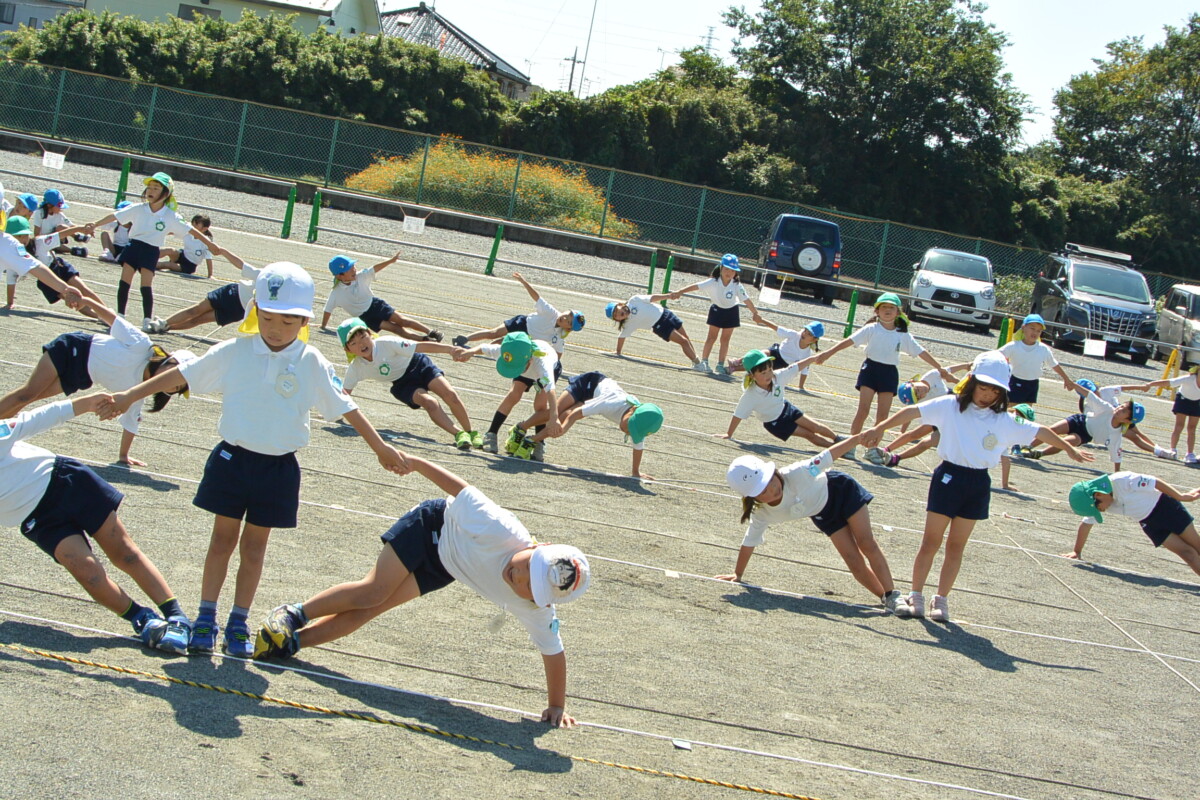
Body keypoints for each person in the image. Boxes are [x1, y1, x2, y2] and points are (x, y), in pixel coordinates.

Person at [97, 262, 407, 657]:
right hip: (232, 460)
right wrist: (129, 396)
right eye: (269, 317)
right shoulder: (235, 349)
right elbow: (181, 375)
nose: (276, 328)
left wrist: (380, 447)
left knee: (255, 548)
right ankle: (206, 617)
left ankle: (237, 621)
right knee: (222, 540)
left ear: (305, 322)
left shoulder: (311, 360)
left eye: (289, 321)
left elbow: (345, 406)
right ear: (255, 311)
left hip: (278, 468)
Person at [252, 456, 591, 728]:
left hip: (444, 566)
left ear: (539, 600)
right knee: (374, 591)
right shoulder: (501, 529)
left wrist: (556, 705)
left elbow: (553, 651)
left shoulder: (535, 609)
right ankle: (293, 615)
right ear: (538, 545)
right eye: (528, 566)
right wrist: (413, 462)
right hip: (432, 524)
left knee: (373, 609)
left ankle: (290, 643)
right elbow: (459, 489)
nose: (518, 578)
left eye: (530, 586)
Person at [861, 351, 1093, 622]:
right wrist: (879, 429)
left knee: (956, 546)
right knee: (931, 541)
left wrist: (1068, 448)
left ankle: (942, 599)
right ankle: (917, 595)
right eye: (982, 387)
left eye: (995, 390)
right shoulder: (950, 405)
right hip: (948, 477)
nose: (987, 395)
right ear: (971, 383)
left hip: (979, 482)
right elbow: (912, 410)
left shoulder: (1004, 419)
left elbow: (1039, 430)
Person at [1, 393, 192, 654]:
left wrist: (88, 403)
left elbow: (38, 418)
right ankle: (143, 620)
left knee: (124, 554)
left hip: (63, 482)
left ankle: (177, 617)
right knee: (87, 573)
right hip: (37, 518)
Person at [0, 298, 193, 466]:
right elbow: (113, 319)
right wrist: (87, 301)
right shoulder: (141, 345)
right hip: (74, 348)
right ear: (169, 359)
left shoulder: (138, 393)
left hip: (82, 376)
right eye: (174, 374)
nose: (171, 382)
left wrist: (123, 456)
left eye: (176, 386)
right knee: (27, 394)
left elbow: (130, 424)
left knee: (30, 398)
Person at [719, 439, 901, 610]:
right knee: (853, 560)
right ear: (753, 498)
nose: (773, 489)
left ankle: (893, 594)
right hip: (823, 513)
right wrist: (738, 574)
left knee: (865, 542)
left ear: (774, 472)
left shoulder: (799, 472)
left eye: (771, 480)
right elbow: (750, 540)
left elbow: (829, 455)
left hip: (841, 491)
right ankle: (886, 599)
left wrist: (858, 438)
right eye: (763, 491)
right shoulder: (762, 513)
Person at [811, 293, 956, 458]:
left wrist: (940, 368)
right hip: (870, 369)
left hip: (889, 373)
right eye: (884, 307)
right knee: (863, 409)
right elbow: (848, 341)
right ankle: (850, 445)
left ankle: (872, 449)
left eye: (891, 308)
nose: (887, 310)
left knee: (883, 416)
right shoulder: (871, 329)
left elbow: (921, 351)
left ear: (898, 312)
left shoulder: (903, 335)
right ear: (877, 312)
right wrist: (827, 353)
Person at [81, 172, 216, 331]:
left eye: (156, 188)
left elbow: (190, 229)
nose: (150, 191)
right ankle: (120, 316)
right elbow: (115, 216)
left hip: (151, 251)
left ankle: (146, 320)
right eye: (149, 187)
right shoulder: (138, 208)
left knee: (146, 286)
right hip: (133, 247)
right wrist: (95, 224)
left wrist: (210, 244)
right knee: (124, 283)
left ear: (166, 193)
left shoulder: (171, 215)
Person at [338, 316, 481, 450]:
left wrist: (450, 349)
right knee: (430, 403)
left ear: (370, 333)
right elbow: (344, 396)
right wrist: (333, 413)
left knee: (450, 395)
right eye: (353, 342)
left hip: (418, 365)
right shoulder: (356, 368)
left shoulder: (386, 343)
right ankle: (459, 434)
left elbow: (419, 346)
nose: (361, 344)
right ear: (347, 349)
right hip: (403, 384)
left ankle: (471, 432)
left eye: (363, 336)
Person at [520, 371, 663, 478]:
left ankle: (530, 440)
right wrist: (563, 429)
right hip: (588, 384)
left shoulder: (641, 422)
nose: (627, 430)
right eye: (630, 426)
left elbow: (638, 446)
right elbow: (575, 415)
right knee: (555, 412)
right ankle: (521, 428)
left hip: (595, 397)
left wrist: (635, 472)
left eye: (632, 431)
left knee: (563, 417)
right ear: (632, 410)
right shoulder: (610, 404)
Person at [1066, 472, 1200, 576]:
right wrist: (1077, 551)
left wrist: (1181, 496)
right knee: (1187, 553)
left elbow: (1155, 482)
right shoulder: (1105, 501)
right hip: (1148, 523)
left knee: (1196, 545)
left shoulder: (1122, 480)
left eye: (1098, 509)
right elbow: (1086, 524)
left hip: (1166, 509)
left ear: (1098, 495)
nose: (1102, 511)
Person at [455, 332, 562, 458]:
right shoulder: (511, 352)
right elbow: (483, 348)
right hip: (523, 367)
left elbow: (551, 391)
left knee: (540, 406)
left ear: (529, 360)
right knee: (514, 395)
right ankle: (491, 433)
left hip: (543, 372)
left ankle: (539, 443)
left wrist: (554, 417)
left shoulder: (544, 365)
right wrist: (470, 352)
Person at [451, 271, 584, 362]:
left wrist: (554, 364)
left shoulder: (559, 336)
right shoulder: (551, 312)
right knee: (494, 333)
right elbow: (537, 297)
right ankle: (464, 339)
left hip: (526, 337)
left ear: (569, 328)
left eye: (569, 321)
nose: (565, 318)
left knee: (500, 344)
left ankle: (475, 351)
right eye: (568, 314)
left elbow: (558, 353)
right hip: (522, 322)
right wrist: (524, 282)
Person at [717, 349, 839, 448]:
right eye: (763, 373)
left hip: (786, 408)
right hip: (775, 422)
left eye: (769, 370)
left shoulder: (778, 376)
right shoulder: (751, 395)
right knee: (809, 435)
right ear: (752, 375)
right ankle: (837, 450)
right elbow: (738, 414)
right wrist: (729, 434)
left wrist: (812, 359)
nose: (768, 375)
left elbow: (796, 366)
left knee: (816, 426)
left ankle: (839, 440)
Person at [1019, 381, 1149, 470]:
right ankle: (1026, 447)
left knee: (1066, 443)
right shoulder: (1108, 409)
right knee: (1053, 430)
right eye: (1122, 406)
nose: (1120, 408)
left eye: (1124, 411)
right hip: (1080, 421)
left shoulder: (1116, 434)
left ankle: (1039, 453)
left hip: (1085, 435)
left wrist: (1117, 475)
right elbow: (1089, 395)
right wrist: (1073, 384)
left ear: (1127, 421)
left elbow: (1116, 456)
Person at [668, 254, 758, 376]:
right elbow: (696, 286)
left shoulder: (736, 285)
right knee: (711, 337)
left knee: (725, 339)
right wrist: (680, 292)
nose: (729, 273)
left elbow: (746, 300)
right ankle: (704, 361)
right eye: (726, 269)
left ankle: (720, 365)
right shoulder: (713, 282)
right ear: (721, 268)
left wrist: (755, 313)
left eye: (732, 270)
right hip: (717, 311)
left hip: (731, 312)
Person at [320, 252, 441, 342]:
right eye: (349, 269)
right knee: (396, 329)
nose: (354, 270)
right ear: (339, 276)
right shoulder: (336, 292)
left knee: (403, 321)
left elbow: (374, 269)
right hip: (366, 317)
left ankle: (431, 332)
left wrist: (391, 261)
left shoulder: (361, 276)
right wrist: (323, 326)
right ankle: (425, 340)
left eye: (353, 266)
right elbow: (328, 309)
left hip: (376, 305)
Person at [3, 216, 104, 318]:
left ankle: (107, 313)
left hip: (58, 267)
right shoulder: (13, 255)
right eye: (17, 236)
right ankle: (100, 317)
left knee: (84, 290)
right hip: (45, 280)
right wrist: (10, 302)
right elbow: (11, 280)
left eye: (24, 235)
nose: (22, 240)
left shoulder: (39, 242)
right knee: (74, 300)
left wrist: (80, 229)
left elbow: (61, 234)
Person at [144, 245, 259, 334]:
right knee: (196, 310)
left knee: (198, 320)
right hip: (232, 293)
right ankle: (164, 322)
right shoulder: (266, 274)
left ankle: (167, 327)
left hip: (239, 310)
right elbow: (242, 265)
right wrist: (223, 251)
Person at [605, 293, 704, 369]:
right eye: (615, 316)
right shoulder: (628, 324)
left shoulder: (634, 300)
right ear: (617, 320)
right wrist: (618, 352)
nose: (618, 313)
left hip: (666, 314)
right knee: (683, 341)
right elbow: (622, 336)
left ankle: (696, 362)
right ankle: (699, 364)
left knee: (686, 338)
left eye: (616, 310)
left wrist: (668, 296)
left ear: (620, 304)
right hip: (660, 326)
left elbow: (652, 298)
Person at [727, 315, 824, 392]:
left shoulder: (807, 354)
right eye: (805, 331)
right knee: (760, 354)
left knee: (759, 368)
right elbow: (778, 328)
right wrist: (762, 320)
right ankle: (737, 361)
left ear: (815, 339)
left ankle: (734, 368)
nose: (805, 334)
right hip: (776, 351)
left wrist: (801, 387)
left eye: (809, 334)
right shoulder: (794, 335)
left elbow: (804, 370)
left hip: (782, 364)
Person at [999, 314, 1076, 404]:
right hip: (1016, 381)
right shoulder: (1013, 346)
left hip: (1033, 384)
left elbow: (1053, 364)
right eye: (1032, 328)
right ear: (1023, 328)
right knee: (1011, 409)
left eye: (1039, 331)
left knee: (1026, 412)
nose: (1035, 332)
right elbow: (996, 356)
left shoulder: (1043, 349)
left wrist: (1066, 379)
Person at [1142, 369, 1200, 463]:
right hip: (1183, 400)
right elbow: (1169, 382)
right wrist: (1150, 384)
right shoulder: (1188, 379)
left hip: (1197, 402)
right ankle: (1173, 450)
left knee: (1192, 428)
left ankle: (1190, 453)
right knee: (1179, 426)